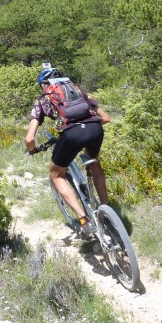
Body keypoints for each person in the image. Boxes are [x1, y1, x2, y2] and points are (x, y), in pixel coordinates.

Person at [25, 65, 111, 236]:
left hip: (72, 135)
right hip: (96, 129)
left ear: (43, 85)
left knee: (56, 176)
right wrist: (88, 127)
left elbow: (29, 138)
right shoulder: (79, 92)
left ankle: (84, 220)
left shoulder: (44, 98)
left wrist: (32, 150)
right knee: (94, 163)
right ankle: (106, 209)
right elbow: (106, 119)